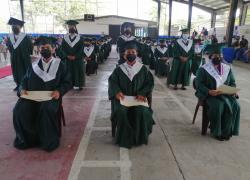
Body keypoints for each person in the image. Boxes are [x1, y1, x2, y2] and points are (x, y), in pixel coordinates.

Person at [13, 36, 72, 152]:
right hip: (32, 97)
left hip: (50, 97)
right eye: (42, 47)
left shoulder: (61, 65)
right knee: (19, 109)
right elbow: (24, 81)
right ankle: (27, 140)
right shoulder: (33, 65)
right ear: (38, 50)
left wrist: (59, 91)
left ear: (53, 49)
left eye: (47, 47)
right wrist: (22, 89)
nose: (44, 49)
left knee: (46, 109)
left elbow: (67, 82)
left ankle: (48, 141)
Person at [108, 42, 154, 149]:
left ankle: (139, 138)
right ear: (124, 55)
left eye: (133, 52)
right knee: (121, 111)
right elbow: (112, 82)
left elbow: (149, 83)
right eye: (128, 52)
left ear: (137, 54)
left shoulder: (143, 69)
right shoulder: (119, 69)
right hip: (123, 99)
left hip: (138, 99)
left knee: (141, 111)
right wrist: (117, 92)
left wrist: (142, 93)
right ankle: (124, 139)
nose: (131, 54)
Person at [195, 44, 240, 141]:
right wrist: (209, 91)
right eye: (215, 56)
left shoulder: (227, 68)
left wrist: (233, 90)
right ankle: (217, 131)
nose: (218, 57)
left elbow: (232, 82)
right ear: (210, 56)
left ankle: (227, 131)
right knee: (218, 106)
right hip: (210, 95)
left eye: (219, 55)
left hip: (224, 94)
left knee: (236, 105)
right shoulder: (203, 69)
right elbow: (198, 84)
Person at [6, 17, 33, 91]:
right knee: (16, 71)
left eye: (16, 25)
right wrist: (14, 54)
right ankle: (18, 85)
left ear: (20, 27)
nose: (14, 27)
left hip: (24, 58)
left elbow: (30, 47)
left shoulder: (25, 36)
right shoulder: (10, 37)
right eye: (12, 25)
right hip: (14, 58)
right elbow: (9, 46)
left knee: (25, 71)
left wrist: (27, 54)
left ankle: (26, 85)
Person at [61, 20, 84, 90]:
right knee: (68, 71)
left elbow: (81, 49)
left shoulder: (80, 38)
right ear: (68, 27)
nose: (71, 27)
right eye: (70, 26)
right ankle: (68, 85)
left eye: (72, 26)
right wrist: (66, 56)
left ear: (75, 27)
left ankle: (79, 84)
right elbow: (62, 49)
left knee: (78, 71)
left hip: (77, 59)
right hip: (67, 59)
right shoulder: (65, 38)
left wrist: (75, 56)